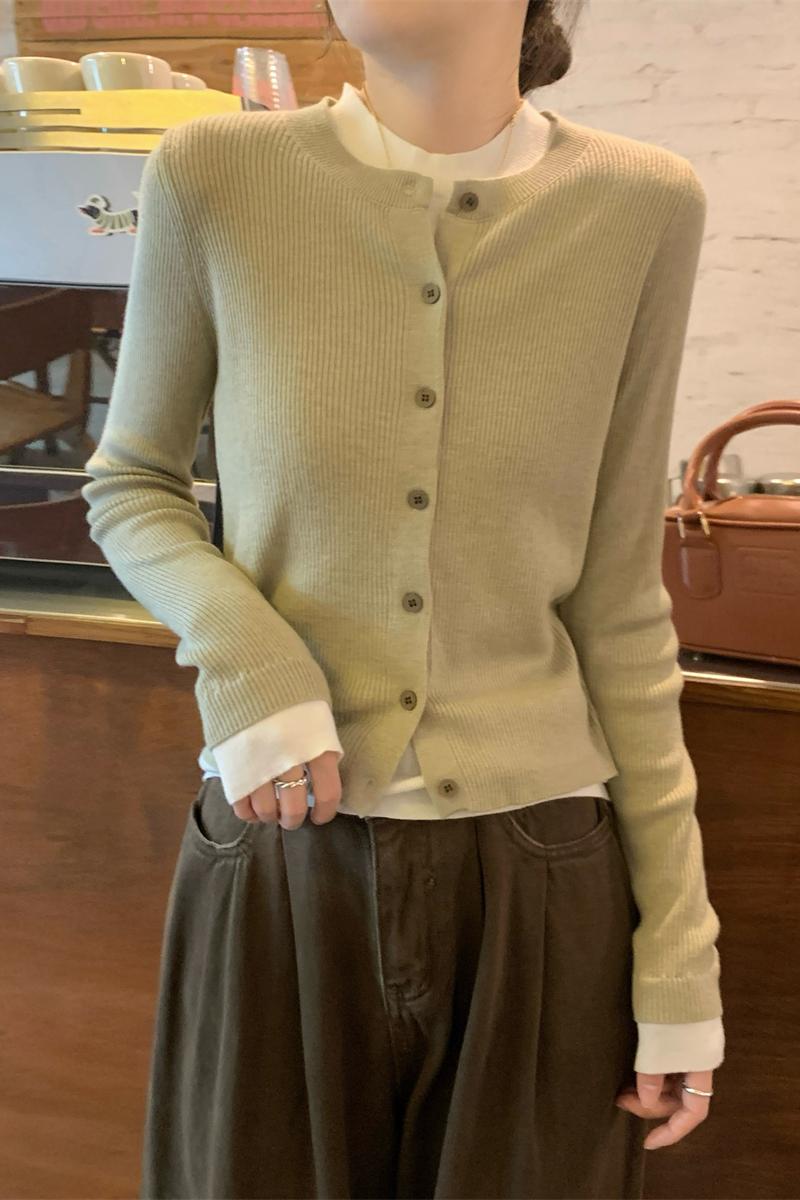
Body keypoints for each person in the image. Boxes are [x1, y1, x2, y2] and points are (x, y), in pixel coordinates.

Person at [81, 1, 725, 1196]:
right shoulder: (213, 174)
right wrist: (249, 658)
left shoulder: (641, 205)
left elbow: (618, 601)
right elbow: (130, 484)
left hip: (540, 878)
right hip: (280, 855)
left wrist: (679, 956)